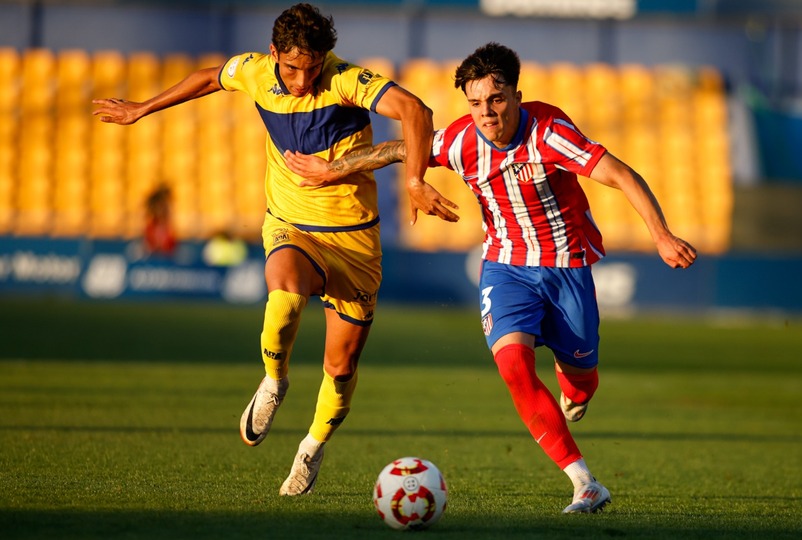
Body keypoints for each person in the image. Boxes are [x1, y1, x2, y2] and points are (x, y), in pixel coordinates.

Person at [285, 42, 698, 513]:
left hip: (567, 268)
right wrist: (331, 169)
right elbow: (401, 148)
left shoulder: (550, 132)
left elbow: (622, 174)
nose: (487, 112)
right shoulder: (463, 140)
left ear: (517, 96)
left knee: (583, 382)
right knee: (515, 369)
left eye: (497, 99)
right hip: (505, 267)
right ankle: (585, 483)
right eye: (476, 102)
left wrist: (661, 235)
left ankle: (574, 387)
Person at [92, 3, 458, 496]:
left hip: (354, 240)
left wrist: (413, 179)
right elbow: (208, 77)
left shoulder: (346, 79)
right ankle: (274, 381)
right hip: (291, 224)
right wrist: (142, 108)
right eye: (292, 67)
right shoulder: (255, 71)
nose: (304, 79)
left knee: (341, 366)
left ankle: (310, 448)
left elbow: (416, 111)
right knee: (284, 294)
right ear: (273, 54)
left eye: (312, 67)